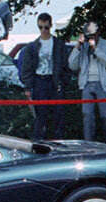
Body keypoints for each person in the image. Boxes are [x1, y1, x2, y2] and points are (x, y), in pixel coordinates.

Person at [68, 21, 106, 144]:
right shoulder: (83, 47)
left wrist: (96, 50)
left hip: (104, 84)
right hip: (86, 84)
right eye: (88, 35)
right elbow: (71, 65)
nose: (91, 38)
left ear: (98, 32)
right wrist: (77, 47)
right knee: (87, 117)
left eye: (93, 35)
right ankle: (89, 145)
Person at [19, 13, 67, 141]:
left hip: (54, 82)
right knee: (40, 117)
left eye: (46, 27)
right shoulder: (32, 46)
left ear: (51, 26)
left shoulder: (58, 44)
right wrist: (27, 87)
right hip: (39, 82)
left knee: (59, 116)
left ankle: (59, 144)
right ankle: (38, 145)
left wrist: (63, 82)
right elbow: (26, 69)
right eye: (40, 27)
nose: (43, 30)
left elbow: (65, 66)